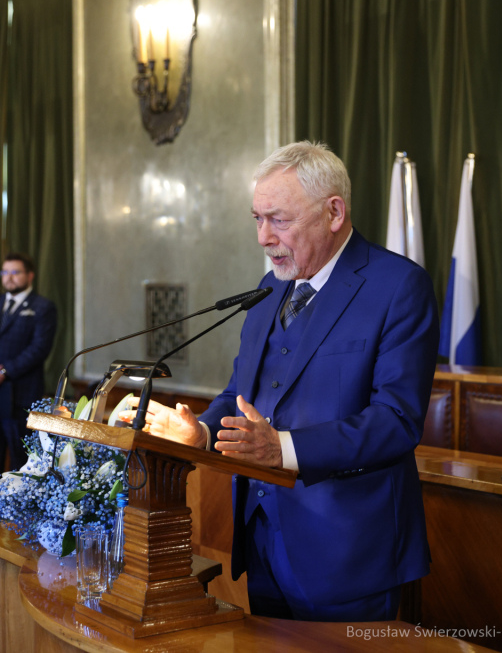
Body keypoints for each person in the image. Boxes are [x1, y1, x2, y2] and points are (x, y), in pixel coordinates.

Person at [121, 141, 439, 621]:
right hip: (262, 539)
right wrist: (203, 432)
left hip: (349, 551)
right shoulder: (269, 288)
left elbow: (395, 422)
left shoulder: (398, 287)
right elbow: (240, 393)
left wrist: (284, 450)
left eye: (279, 219)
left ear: (333, 212)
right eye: (256, 219)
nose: (263, 237)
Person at [0, 252, 57, 519]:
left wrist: (4, 371)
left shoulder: (42, 307)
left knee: (21, 456)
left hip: (20, 393)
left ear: (29, 276)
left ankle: (19, 513)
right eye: (5, 273)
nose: (9, 277)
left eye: (15, 272)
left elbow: (39, 349)